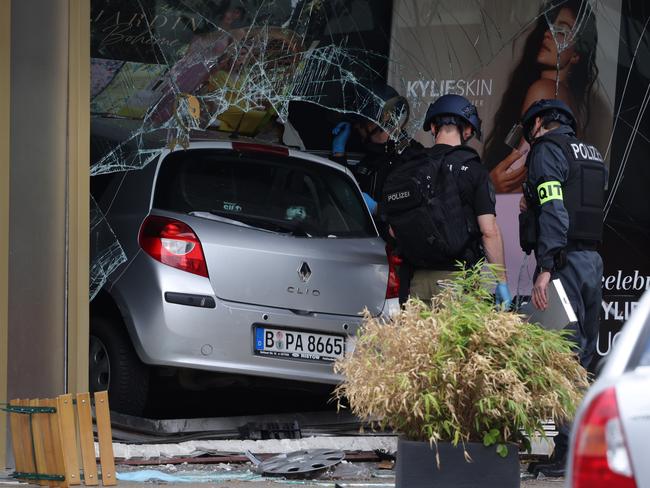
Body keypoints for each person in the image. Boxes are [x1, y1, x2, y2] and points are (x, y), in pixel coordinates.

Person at [518, 98, 606, 477]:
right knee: (582, 358)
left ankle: (568, 452)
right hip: (591, 263)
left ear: (539, 123)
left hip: (564, 264)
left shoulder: (547, 150)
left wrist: (546, 267)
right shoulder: (591, 154)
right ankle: (580, 447)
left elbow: (554, 209)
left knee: (560, 358)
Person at [400, 94, 511, 306]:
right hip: (458, 282)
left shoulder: (411, 166)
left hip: (416, 282)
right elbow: (489, 231)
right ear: (468, 130)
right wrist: (501, 282)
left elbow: (395, 228)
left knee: (420, 340)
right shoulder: (474, 171)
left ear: (433, 127)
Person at [484, 0, 599, 194]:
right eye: (550, 26)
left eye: (561, 31)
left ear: (576, 55)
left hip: (514, 213)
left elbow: (515, 173)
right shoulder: (569, 100)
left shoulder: (544, 91)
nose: (548, 34)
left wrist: (486, 187)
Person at [330, 83, 418, 216]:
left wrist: (379, 209)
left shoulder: (411, 159)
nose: (356, 127)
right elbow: (346, 194)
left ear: (378, 122)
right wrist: (338, 154)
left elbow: (414, 212)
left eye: (361, 121)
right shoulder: (372, 156)